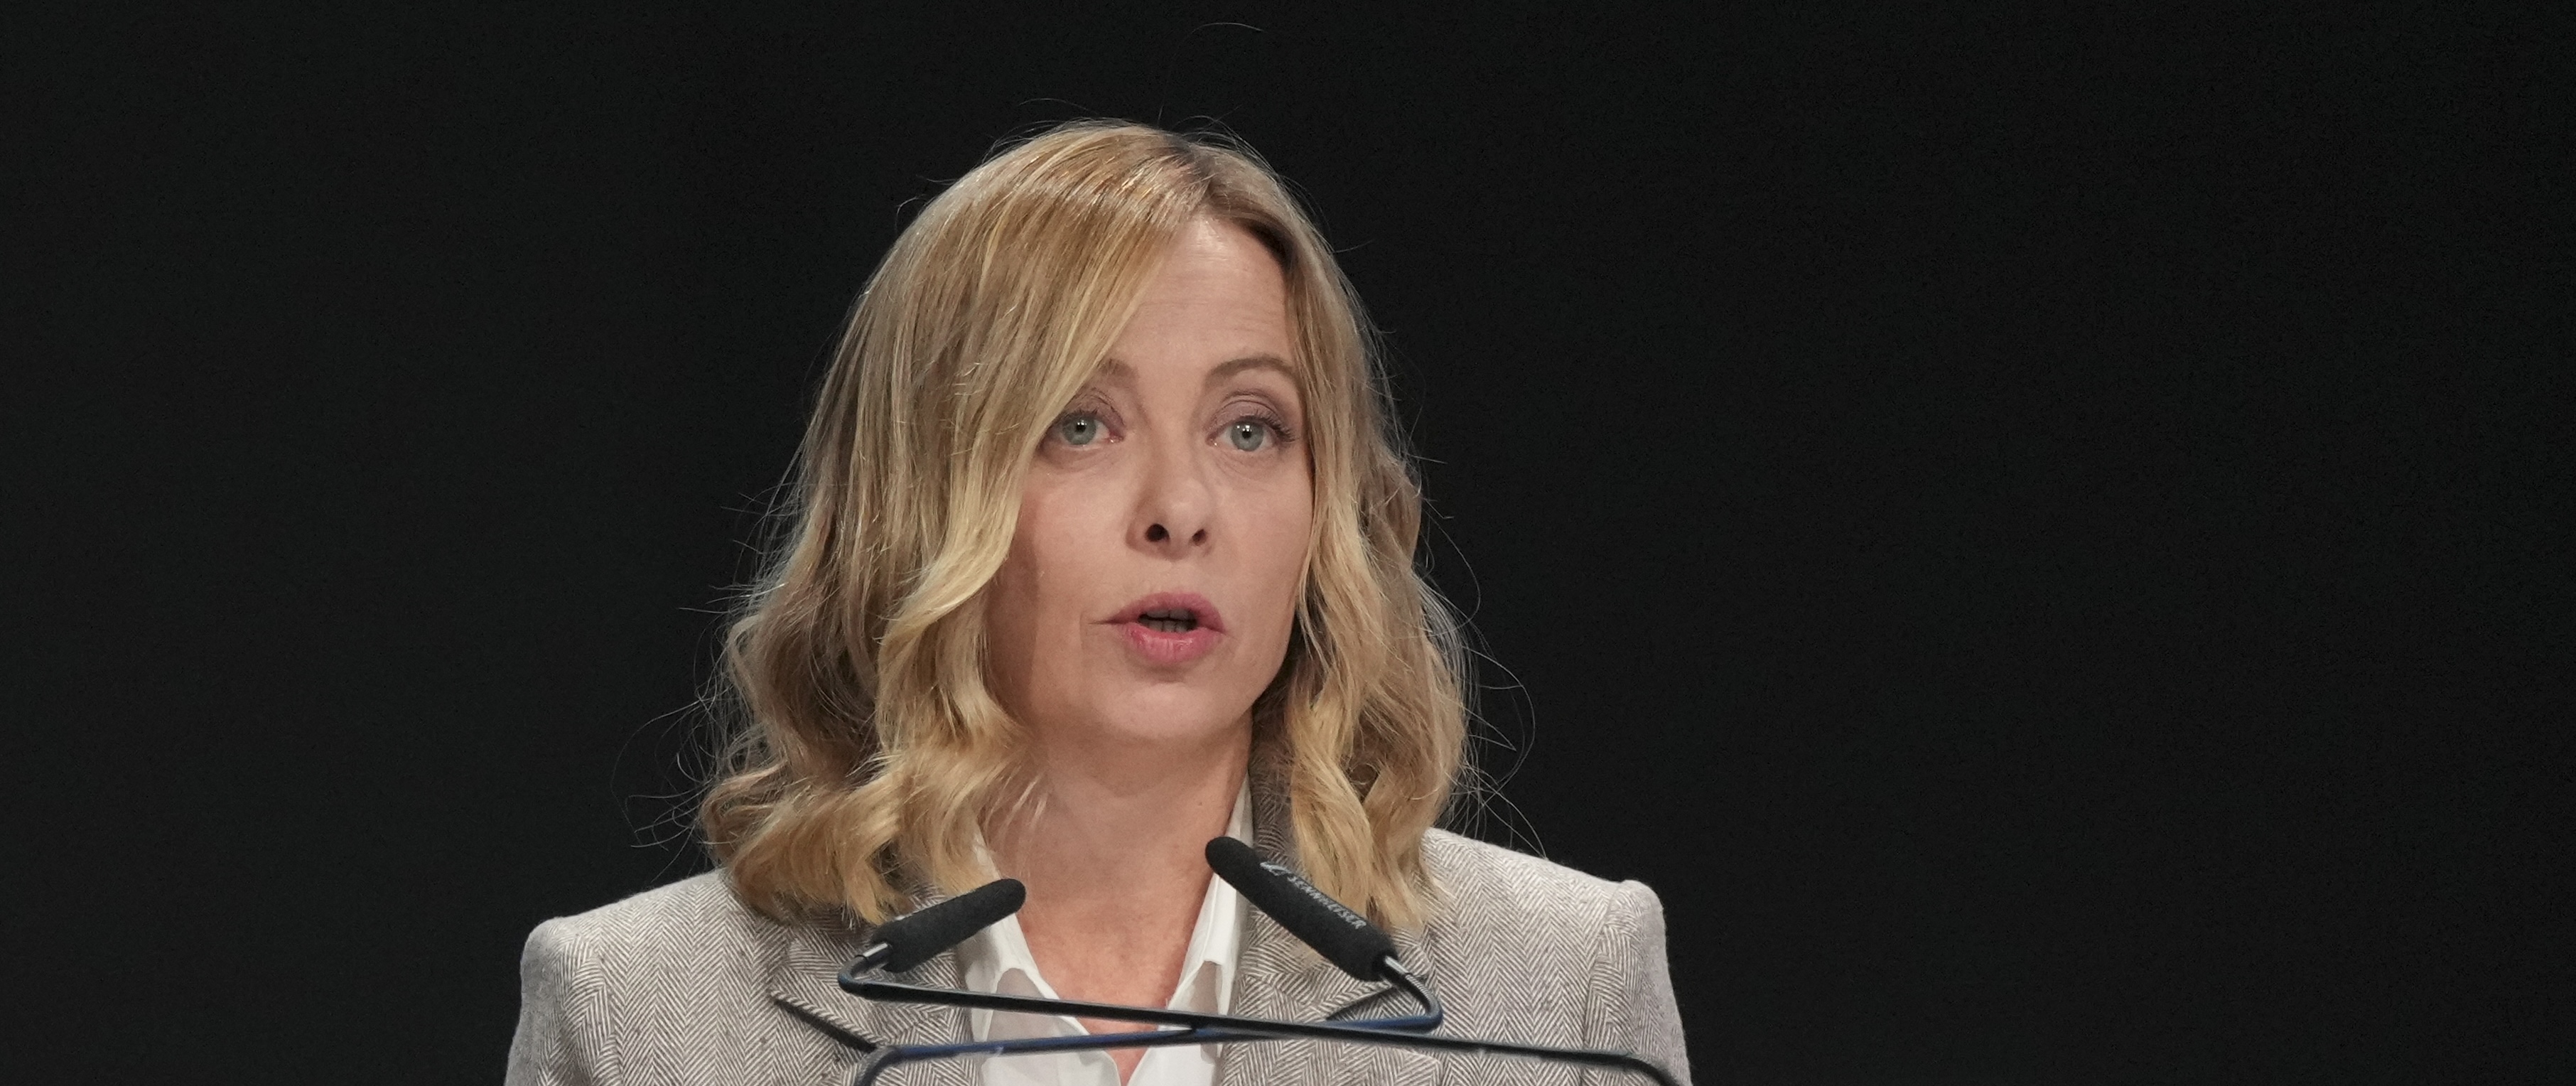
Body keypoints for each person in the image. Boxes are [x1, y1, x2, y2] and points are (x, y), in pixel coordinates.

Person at [506, 121, 1688, 1086]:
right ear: (915, 493)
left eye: (1249, 429)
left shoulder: (1561, 989)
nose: (1180, 509)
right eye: (1082, 424)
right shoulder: (640, 1016)